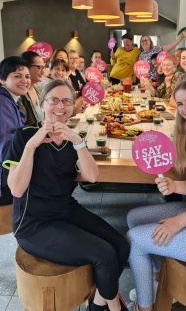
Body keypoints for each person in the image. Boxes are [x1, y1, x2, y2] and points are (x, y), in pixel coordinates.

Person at [3, 80, 130, 311]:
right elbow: (16, 189)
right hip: (33, 223)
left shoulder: (74, 137)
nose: (60, 106)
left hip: (65, 209)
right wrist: (32, 146)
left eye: (66, 101)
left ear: (74, 106)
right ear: (43, 105)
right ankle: (113, 307)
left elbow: (92, 177)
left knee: (121, 245)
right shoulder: (24, 136)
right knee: (105, 255)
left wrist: (79, 141)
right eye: (53, 100)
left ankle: (98, 303)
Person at [127, 76, 186, 311]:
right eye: (180, 104)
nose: (185, 109)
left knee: (134, 241)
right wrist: (174, 186)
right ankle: (162, 283)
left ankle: (145, 308)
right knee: (134, 218)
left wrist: (177, 223)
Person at [0, 56, 30, 205]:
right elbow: (7, 145)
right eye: (17, 76)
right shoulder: (3, 103)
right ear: (2, 80)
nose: (24, 80)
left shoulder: (11, 100)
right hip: (4, 179)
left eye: (27, 76)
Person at [19, 51, 45, 124]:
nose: (43, 72)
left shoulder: (39, 90)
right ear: (26, 67)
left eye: (43, 67)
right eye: (39, 67)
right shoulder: (19, 95)